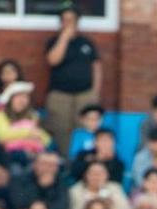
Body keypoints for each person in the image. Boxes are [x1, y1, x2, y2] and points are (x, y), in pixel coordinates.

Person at [43, 2, 100, 159]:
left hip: (84, 94)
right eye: (65, 19)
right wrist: (64, 38)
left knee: (84, 130)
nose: (68, 23)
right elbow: (53, 60)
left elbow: (96, 68)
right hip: (60, 95)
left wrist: (95, 93)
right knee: (61, 131)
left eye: (72, 19)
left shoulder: (87, 43)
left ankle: (83, 162)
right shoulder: (53, 41)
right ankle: (66, 163)